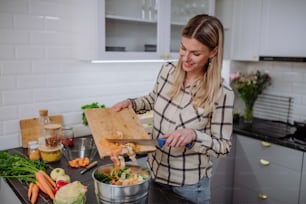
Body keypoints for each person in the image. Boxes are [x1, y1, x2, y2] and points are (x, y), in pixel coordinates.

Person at [112, 14, 234, 204]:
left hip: (189, 187)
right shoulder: (168, 71)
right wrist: (132, 104)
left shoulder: (222, 93)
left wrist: (193, 135)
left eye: (195, 53)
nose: (185, 58)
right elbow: (153, 99)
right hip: (154, 173)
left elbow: (223, 147)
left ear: (213, 52)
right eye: (183, 48)